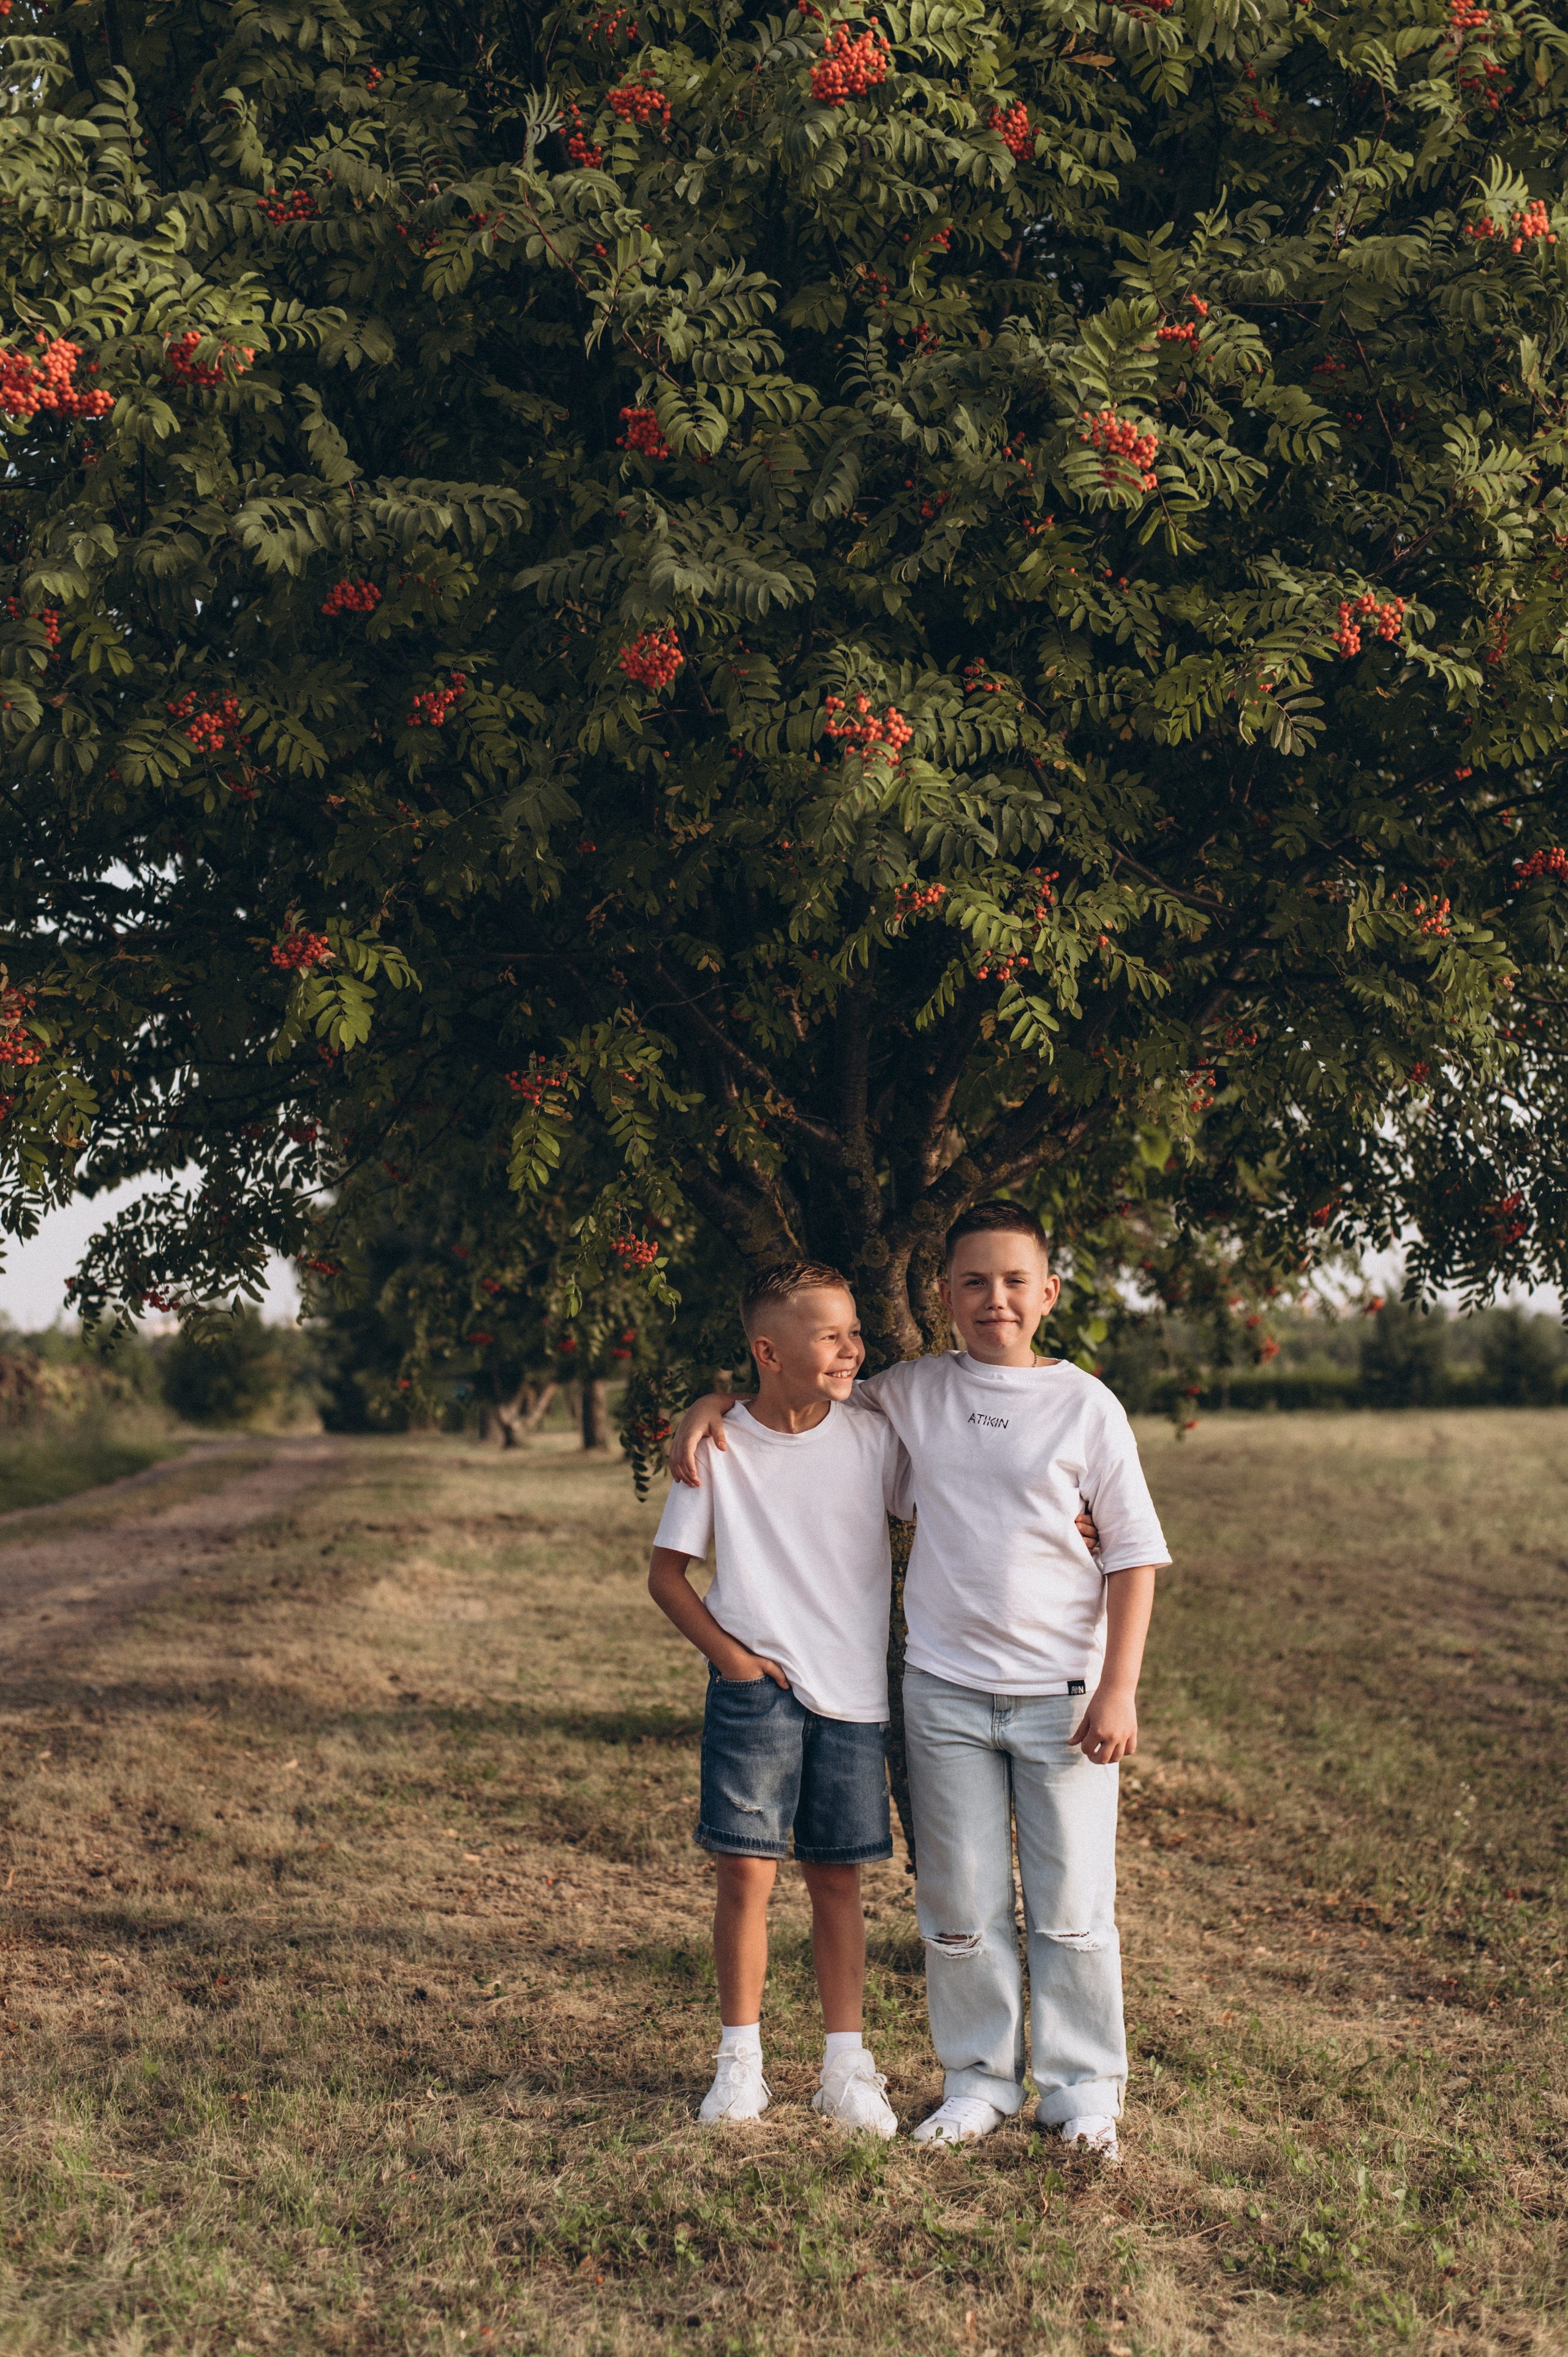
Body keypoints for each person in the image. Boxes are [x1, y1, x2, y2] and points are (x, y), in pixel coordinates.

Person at [669, 1200, 1169, 2159]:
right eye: (974, 1282)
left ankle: (1081, 2092)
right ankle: (979, 2081)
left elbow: (1134, 1552)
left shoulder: (1087, 1406)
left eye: (1015, 1281)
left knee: (1072, 1910)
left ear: (1049, 1292)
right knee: (961, 1907)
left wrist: (1120, 1687)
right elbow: (795, 1395)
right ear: (943, 1296)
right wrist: (710, 1405)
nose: (995, 1299)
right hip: (943, 1690)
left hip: (1065, 1693)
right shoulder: (912, 1391)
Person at [647, 1259, 911, 2137]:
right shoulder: (721, 1447)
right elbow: (666, 1576)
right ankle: (740, 2065)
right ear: (769, 1352)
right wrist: (732, 1659)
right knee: (745, 1874)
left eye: (854, 1332)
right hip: (756, 1694)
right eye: (829, 1336)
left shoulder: (874, 1437)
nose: (851, 1349)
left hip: (853, 1695)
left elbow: (963, 1493)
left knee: (837, 1879)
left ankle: (846, 2068)